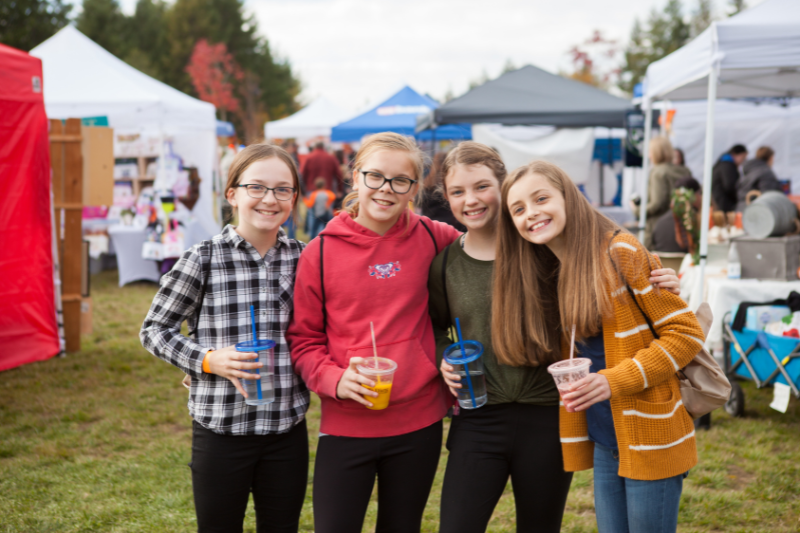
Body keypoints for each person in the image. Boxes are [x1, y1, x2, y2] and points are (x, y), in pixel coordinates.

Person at [430, 144, 683, 533]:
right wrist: (444, 356)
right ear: (445, 198)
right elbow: (434, 327)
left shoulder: (549, 251)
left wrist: (660, 281)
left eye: (482, 186)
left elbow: (663, 322)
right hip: (485, 415)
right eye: (458, 191)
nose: (471, 199)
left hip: (554, 412)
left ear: (503, 186)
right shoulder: (449, 262)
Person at [496, 160, 705, 533]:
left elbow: (684, 334)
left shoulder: (619, 251)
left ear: (569, 197)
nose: (532, 213)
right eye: (519, 209)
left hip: (650, 431)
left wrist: (613, 381)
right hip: (606, 435)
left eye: (541, 198)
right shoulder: (550, 268)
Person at [286, 132, 462, 533]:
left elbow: (492, 247)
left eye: (400, 180)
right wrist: (335, 378)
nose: (386, 189)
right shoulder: (321, 251)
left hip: (419, 422)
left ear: (415, 188)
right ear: (354, 176)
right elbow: (304, 339)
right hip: (347, 423)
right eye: (375, 176)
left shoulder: (436, 237)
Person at [140, 144, 310, 533]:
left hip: (286, 428)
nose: (270, 199)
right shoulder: (202, 258)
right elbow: (154, 330)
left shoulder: (306, 258)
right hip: (221, 430)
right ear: (232, 194)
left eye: (283, 189)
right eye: (257, 187)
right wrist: (206, 360)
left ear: (294, 198)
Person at [631, 136, 687, 250]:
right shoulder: (684, 170)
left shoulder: (658, 173)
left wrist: (636, 210)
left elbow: (657, 203)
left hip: (657, 228)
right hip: (680, 225)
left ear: (656, 153)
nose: (649, 155)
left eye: (650, 152)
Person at [651, 176, 702, 255]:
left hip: (663, 265)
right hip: (686, 266)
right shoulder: (695, 222)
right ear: (694, 196)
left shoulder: (660, 222)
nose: (701, 197)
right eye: (700, 193)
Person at [417, 150, 466, 232]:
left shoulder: (426, 183)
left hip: (430, 226)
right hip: (452, 225)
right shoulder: (450, 183)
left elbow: (418, 203)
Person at [736, 146, 781, 211]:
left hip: (740, 209)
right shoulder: (766, 173)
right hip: (755, 212)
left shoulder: (749, 170)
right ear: (771, 158)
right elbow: (769, 196)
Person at [712, 144, 748, 214]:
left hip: (720, 201)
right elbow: (730, 186)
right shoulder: (727, 166)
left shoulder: (723, 163)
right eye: (743, 157)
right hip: (724, 203)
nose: (744, 161)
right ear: (735, 154)